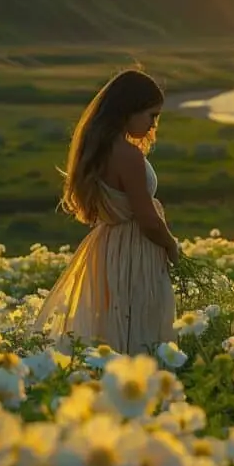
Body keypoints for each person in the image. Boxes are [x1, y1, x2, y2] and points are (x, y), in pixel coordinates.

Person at [31, 69, 180, 355]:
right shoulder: (129, 156)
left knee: (112, 320)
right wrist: (172, 246)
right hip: (136, 249)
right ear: (129, 111)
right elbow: (147, 219)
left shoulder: (100, 149)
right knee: (139, 324)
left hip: (107, 249)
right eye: (151, 115)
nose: (153, 125)